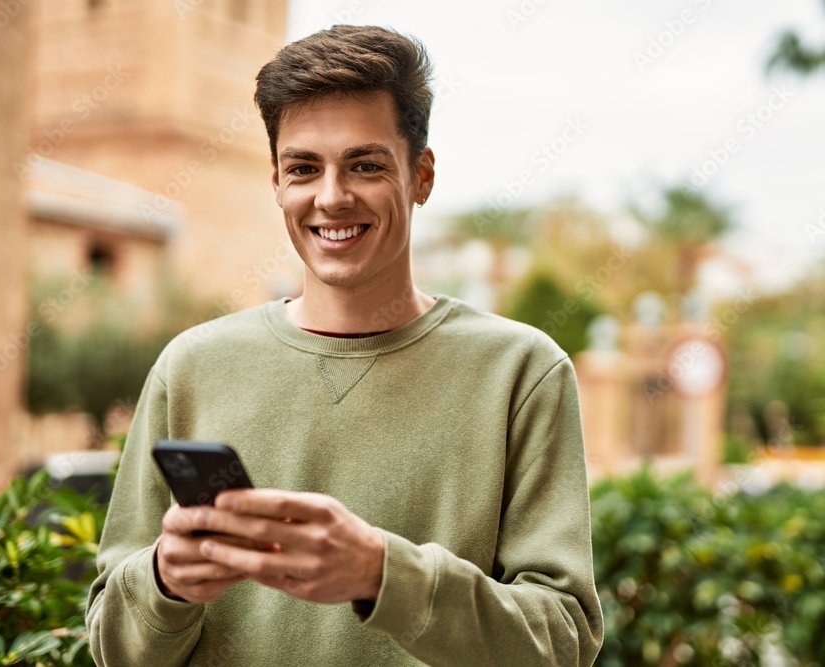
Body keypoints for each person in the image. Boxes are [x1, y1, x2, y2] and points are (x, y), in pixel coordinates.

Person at [86, 24, 603, 666]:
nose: (331, 197)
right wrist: (165, 582)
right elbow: (113, 646)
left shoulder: (522, 372)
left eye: (364, 165)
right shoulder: (190, 367)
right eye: (304, 168)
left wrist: (383, 575)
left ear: (422, 175)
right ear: (276, 181)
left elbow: (561, 642)